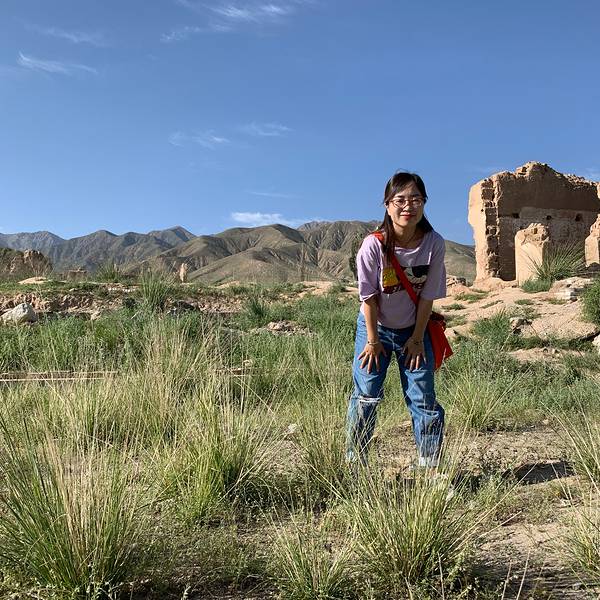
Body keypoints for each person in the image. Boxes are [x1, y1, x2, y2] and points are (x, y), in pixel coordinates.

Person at [346, 171, 447, 468]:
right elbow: (368, 298)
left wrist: (416, 339)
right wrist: (373, 341)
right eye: (400, 200)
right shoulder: (373, 245)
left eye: (416, 199)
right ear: (387, 205)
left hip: (415, 329)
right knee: (366, 394)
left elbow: (428, 297)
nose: (408, 206)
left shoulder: (434, 243)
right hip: (374, 328)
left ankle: (430, 466)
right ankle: (355, 463)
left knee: (423, 396)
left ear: (424, 203)